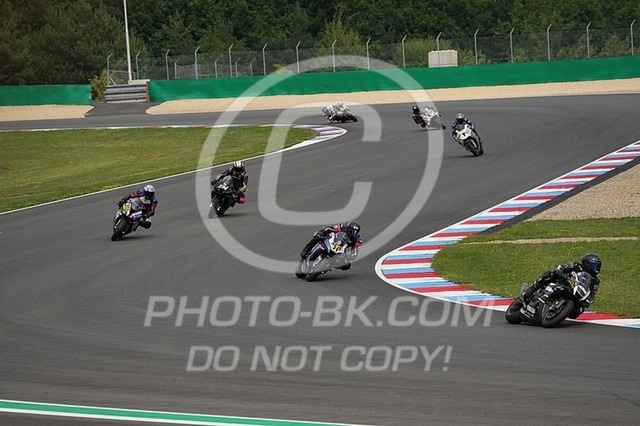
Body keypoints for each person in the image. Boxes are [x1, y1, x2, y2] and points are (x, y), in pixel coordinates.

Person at [521, 253, 602, 308]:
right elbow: (564, 267)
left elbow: (592, 293)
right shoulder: (577, 266)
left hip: (577, 292)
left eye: (597, 266)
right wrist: (560, 269)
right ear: (586, 264)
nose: (596, 269)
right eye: (593, 266)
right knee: (549, 275)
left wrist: (589, 300)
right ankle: (530, 291)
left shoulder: (595, 280)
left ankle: (558, 310)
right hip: (565, 282)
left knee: (579, 309)